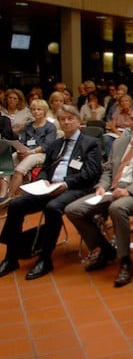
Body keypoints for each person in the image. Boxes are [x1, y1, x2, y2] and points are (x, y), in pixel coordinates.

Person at [65, 106, 133, 287]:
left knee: (117, 208)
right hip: (112, 190)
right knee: (73, 210)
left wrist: (129, 190)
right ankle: (106, 250)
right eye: (132, 119)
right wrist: (102, 187)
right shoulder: (120, 141)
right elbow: (108, 170)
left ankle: (125, 260)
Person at [0, 105, 102, 280]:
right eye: (63, 119)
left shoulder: (90, 143)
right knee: (16, 204)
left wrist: (65, 183)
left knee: (52, 208)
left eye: (70, 118)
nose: (67, 122)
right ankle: (11, 257)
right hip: (49, 187)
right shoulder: (56, 144)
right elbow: (45, 168)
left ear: (78, 121)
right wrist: (43, 179)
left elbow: (91, 173)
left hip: (75, 188)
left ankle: (45, 258)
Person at [1, 99, 57, 207]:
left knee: (19, 169)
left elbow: (47, 145)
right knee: (7, 162)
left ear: (44, 111)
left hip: (41, 154)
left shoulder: (50, 127)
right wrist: (20, 150)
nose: (36, 112)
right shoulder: (28, 126)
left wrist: (30, 152)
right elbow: (22, 141)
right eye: (34, 109)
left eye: (39, 109)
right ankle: (2, 194)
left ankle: (9, 198)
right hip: (26, 151)